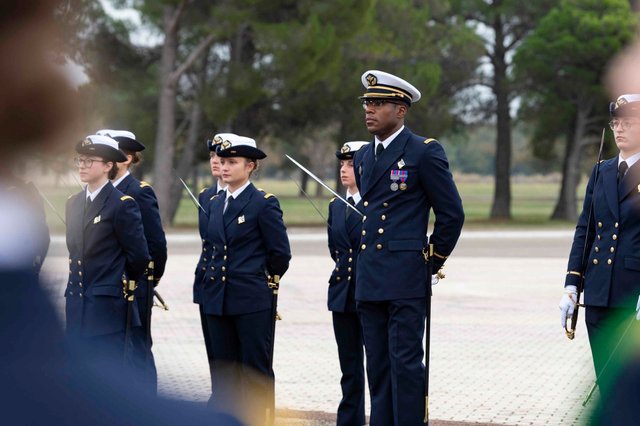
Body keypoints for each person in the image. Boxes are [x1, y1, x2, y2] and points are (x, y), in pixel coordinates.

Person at [352, 70, 465, 425]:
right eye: (368, 103)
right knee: (378, 366)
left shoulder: (423, 152)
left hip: (405, 277)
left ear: (401, 110)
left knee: (405, 365)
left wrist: (430, 261)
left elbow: (451, 214)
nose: (369, 110)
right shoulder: (363, 157)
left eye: (379, 103)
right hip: (369, 276)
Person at [202, 134, 291, 424]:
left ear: (250, 166)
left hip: (250, 299)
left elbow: (280, 254)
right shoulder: (215, 202)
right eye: (223, 161)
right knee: (224, 373)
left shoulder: (263, 203)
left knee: (254, 371)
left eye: (232, 162)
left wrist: (257, 279)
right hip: (218, 299)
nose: (224, 167)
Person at [559, 94, 640, 378]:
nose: (619, 129)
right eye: (616, 123)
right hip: (598, 293)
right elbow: (586, 230)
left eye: (628, 123)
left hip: (633, 294)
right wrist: (572, 285)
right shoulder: (601, 171)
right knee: (606, 379)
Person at [65, 134, 150, 368]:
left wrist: (117, 283)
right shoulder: (73, 203)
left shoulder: (122, 204)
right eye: (80, 160)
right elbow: (74, 250)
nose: (82, 165)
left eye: (90, 160)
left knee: (107, 373)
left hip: (106, 305)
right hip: (77, 301)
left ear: (108, 165)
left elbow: (139, 255)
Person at [97, 128, 168, 393]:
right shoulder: (98, 193)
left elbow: (155, 245)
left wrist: (148, 281)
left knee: (136, 350)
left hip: (134, 286)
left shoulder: (139, 192)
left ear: (126, 158)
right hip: (104, 288)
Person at [327, 141, 369, 426]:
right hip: (343, 293)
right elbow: (336, 250)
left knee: (379, 365)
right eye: (342, 164)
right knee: (350, 366)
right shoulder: (335, 205)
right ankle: (350, 420)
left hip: (371, 293)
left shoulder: (376, 204)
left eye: (351, 164)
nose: (344, 170)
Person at [193, 132, 233, 404]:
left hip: (236, 287)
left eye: (223, 157)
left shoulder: (256, 200)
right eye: (212, 157)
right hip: (208, 282)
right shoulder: (206, 196)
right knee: (214, 352)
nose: (216, 162)